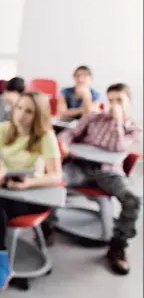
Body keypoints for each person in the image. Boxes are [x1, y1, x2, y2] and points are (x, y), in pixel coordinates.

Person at [0, 92, 62, 298]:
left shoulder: (46, 136)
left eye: (29, 111)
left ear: (38, 115)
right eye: (19, 108)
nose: (21, 115)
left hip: (32, 195)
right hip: (4, 189)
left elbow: (55, 175)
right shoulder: (1, 129)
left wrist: (29, 183)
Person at [58, 83, 141, 276]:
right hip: (80, 167)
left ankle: (118, 246)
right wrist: (64, 145)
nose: (113, 105)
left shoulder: (134, 129)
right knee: (54, 180)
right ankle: (47, 227)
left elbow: (118, 147)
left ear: (129, 103)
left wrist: (117, 121)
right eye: (110, 100)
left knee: (133, 199)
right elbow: (71, 132)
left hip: (109, 173)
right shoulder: (93, 118)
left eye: (119, 100)